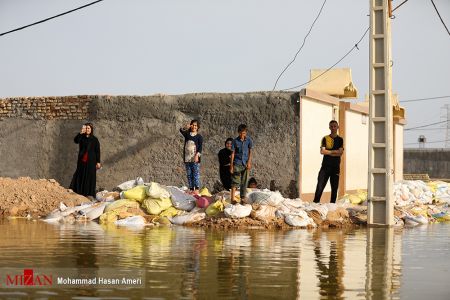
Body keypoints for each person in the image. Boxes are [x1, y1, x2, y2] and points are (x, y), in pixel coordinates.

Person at [313, 120, 344, 203]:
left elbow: (340, 152)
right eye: (331, 126)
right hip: (325, 167)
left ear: (337, 127)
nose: (333, 128)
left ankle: (332, 207)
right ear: (329, 127)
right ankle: (315, 204)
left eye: (335, 126)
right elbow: (322, 151)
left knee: (334, 189)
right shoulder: (325, 138)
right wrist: (334, 152)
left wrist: (329, 152)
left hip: (335, 168)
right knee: (320, 187)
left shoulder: (340, 140)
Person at [70, 123, 101, 197]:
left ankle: (89, 193)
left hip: (91, 161)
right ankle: (79, 191)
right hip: (82, 160)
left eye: (89, 128)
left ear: (91, 130)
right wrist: (81, 132)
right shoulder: (82, 137)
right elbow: (76, 140)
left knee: (90, 176)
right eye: (86, 128)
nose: (87, 129)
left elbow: (97, 151)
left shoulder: (95, 139)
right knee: (80, 174)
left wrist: (98, 162)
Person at [230, 124, 253, 204]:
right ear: (238, 132)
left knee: (244, 181)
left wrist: (249, 162)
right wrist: (231, 166)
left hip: (245, 164)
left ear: (246, 132)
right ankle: (232, 199)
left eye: (244, 133)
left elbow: (250, 152)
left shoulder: (249, 140)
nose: (242, 135)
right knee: (235, 181)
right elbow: (233, 154)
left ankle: (242, 198)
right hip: (237, 163)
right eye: (241, 133)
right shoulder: (235, 141)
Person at [180, 119, 203, 194]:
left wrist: (197, 156)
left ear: (198, 127)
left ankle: (196, 188)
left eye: (195, 125)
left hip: (195, 158)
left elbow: (200, 148)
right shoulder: (187, 134)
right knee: (189, 174)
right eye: (192, 125)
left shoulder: (199, 137)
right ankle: (191, 188)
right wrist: (186, 127)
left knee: (195, 173)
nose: (194, 126)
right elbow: (181, 130)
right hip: (187, 158)